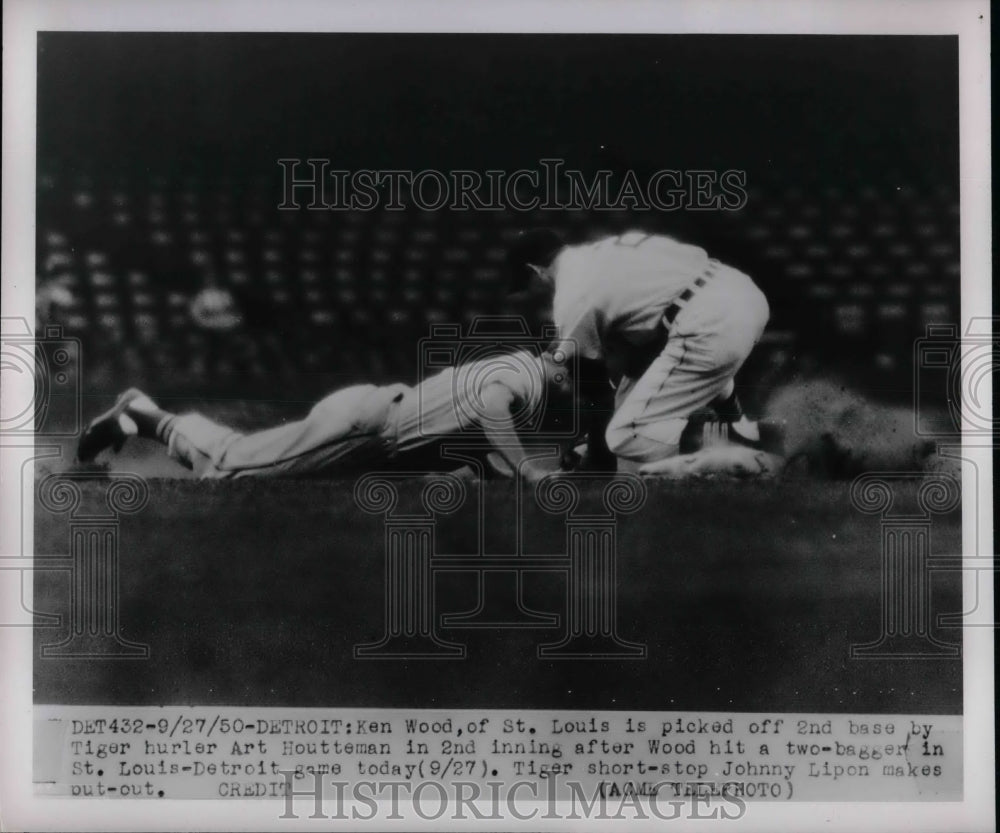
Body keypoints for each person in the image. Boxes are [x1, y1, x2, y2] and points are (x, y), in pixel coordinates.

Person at [76, 349, 573, 482]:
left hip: (373, 421)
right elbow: (491, 407)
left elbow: (463, 427)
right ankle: (145, 415)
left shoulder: (522, 368)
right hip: (371, 428)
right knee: (232, 470)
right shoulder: (532, 377)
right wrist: (528, 469)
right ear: (565, 372)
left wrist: (494, 470)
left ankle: (139, 421)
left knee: (250, 468)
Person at [507, 228, 770, 474]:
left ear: (535, 271)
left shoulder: (571, 297)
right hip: (739, 293)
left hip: (710, 321)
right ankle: (741, 426)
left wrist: (596, 460)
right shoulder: (608, 249)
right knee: (684, 370)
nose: (534, 291)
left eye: (527, 284)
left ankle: (730, 442)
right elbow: (641, 355)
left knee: (623, 436)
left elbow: (596, 394)